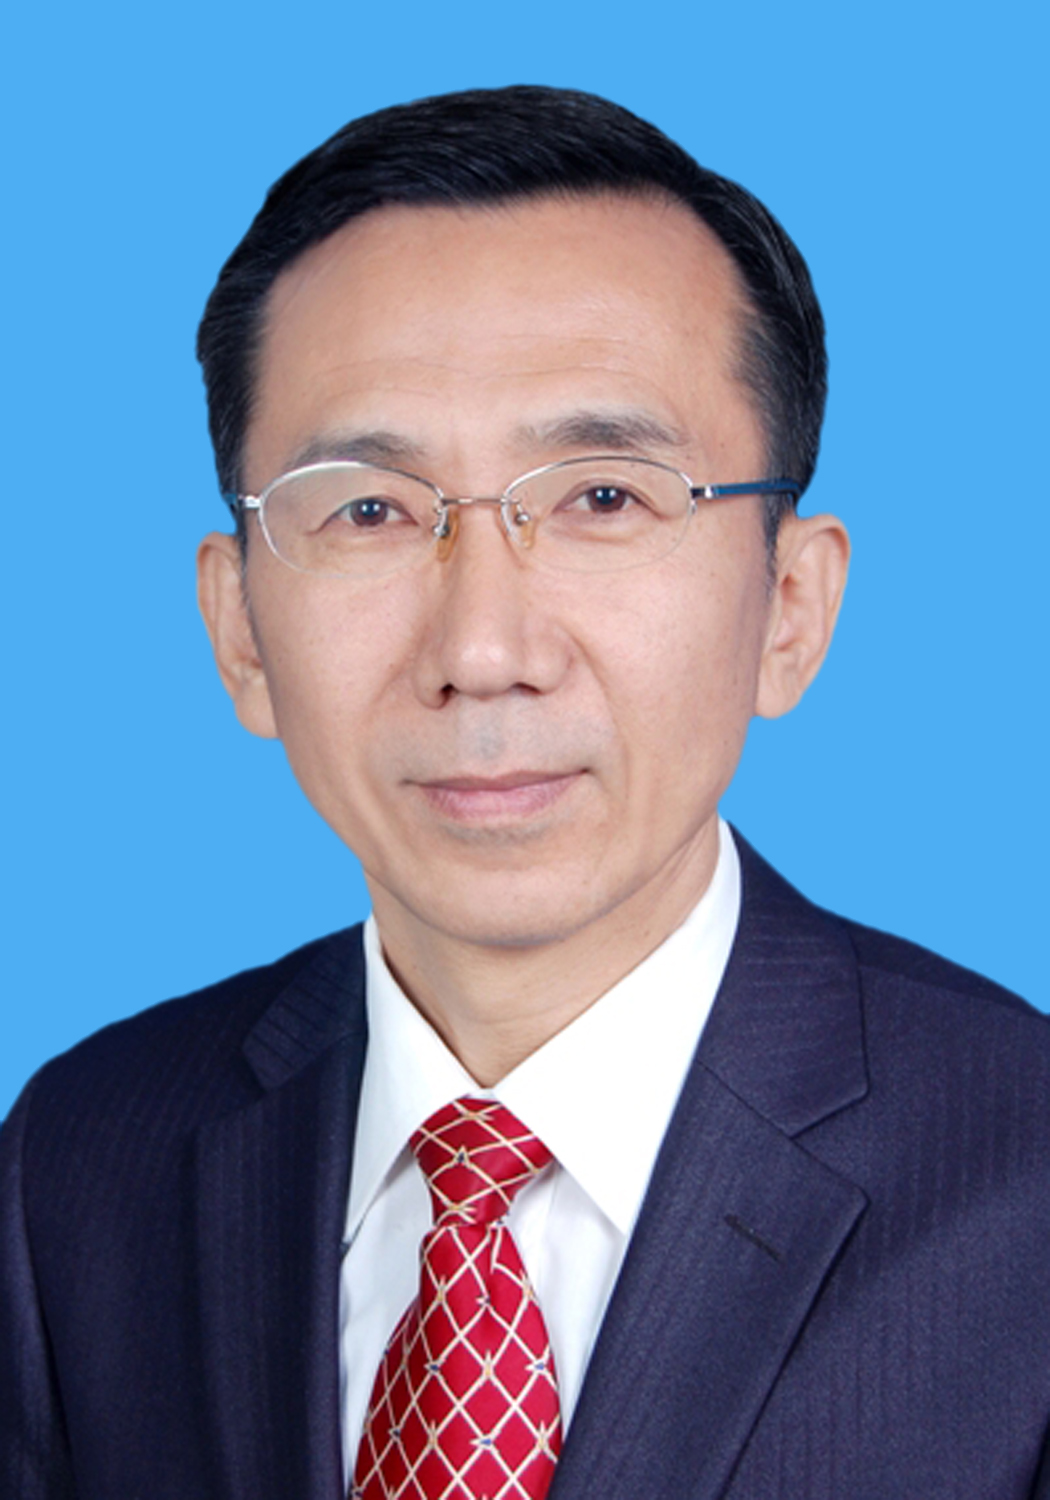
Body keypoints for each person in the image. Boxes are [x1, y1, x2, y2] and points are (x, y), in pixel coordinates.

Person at [2, 85, 1048, 1500]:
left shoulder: (1023, 1171)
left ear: (790, 608)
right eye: (369, 510)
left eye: (603, 498)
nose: (482, 651)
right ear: (239, 629)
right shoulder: (81, 1162)